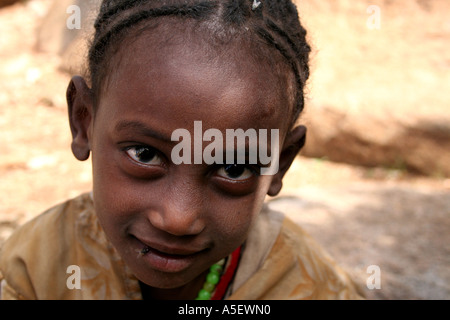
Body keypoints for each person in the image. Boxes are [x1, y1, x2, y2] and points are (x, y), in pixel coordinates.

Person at [0, 0, 364, 300]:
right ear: (84, 121)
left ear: (279, 164)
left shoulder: (308, 288)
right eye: (144, 154)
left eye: (235, 169)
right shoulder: (35, 271)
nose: (178, 219)